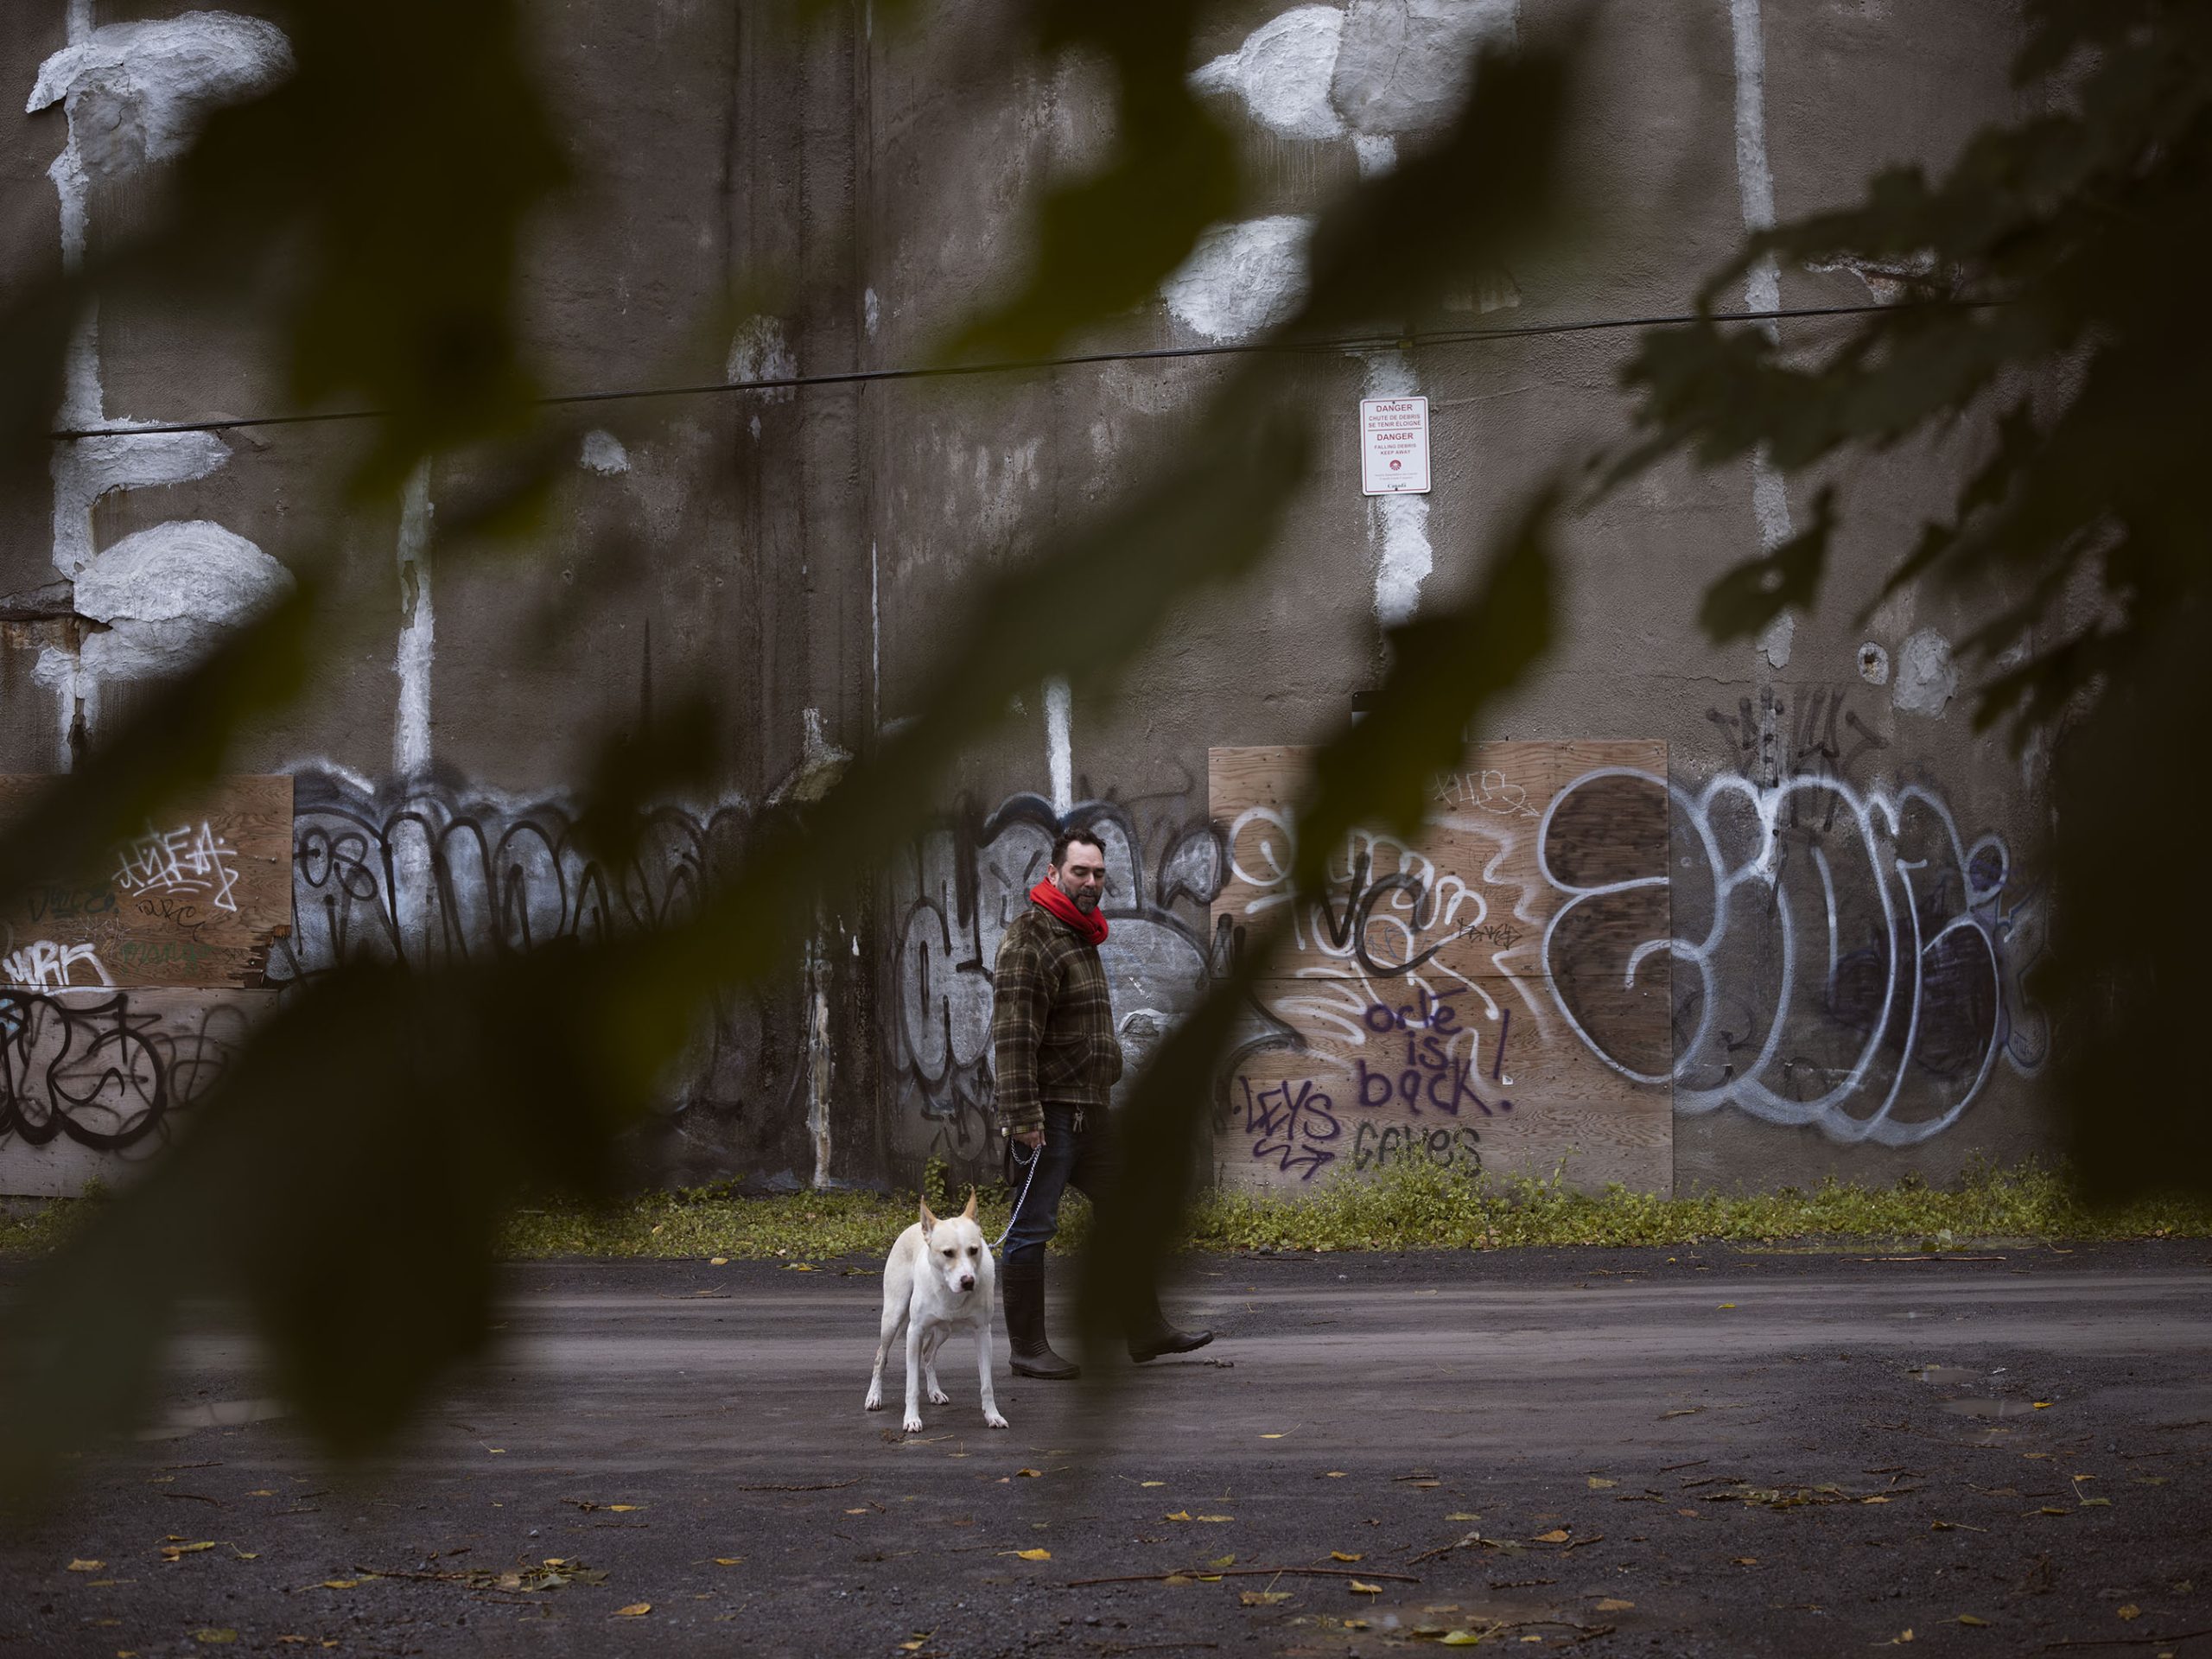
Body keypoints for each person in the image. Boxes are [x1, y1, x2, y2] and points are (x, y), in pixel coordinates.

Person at [991, 824, 1214, 1379]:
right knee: (1031, 1227)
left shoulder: (1078, 933)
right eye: (1079, 872)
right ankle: (1027, 1349)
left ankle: (1144, 1331)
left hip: (1089, 1111)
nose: (1090, 882)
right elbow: (1014, 1036)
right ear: (1054, 873)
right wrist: (1023, 1118)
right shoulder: (1033, 937)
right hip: (1048, 1114)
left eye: (1097, 874)